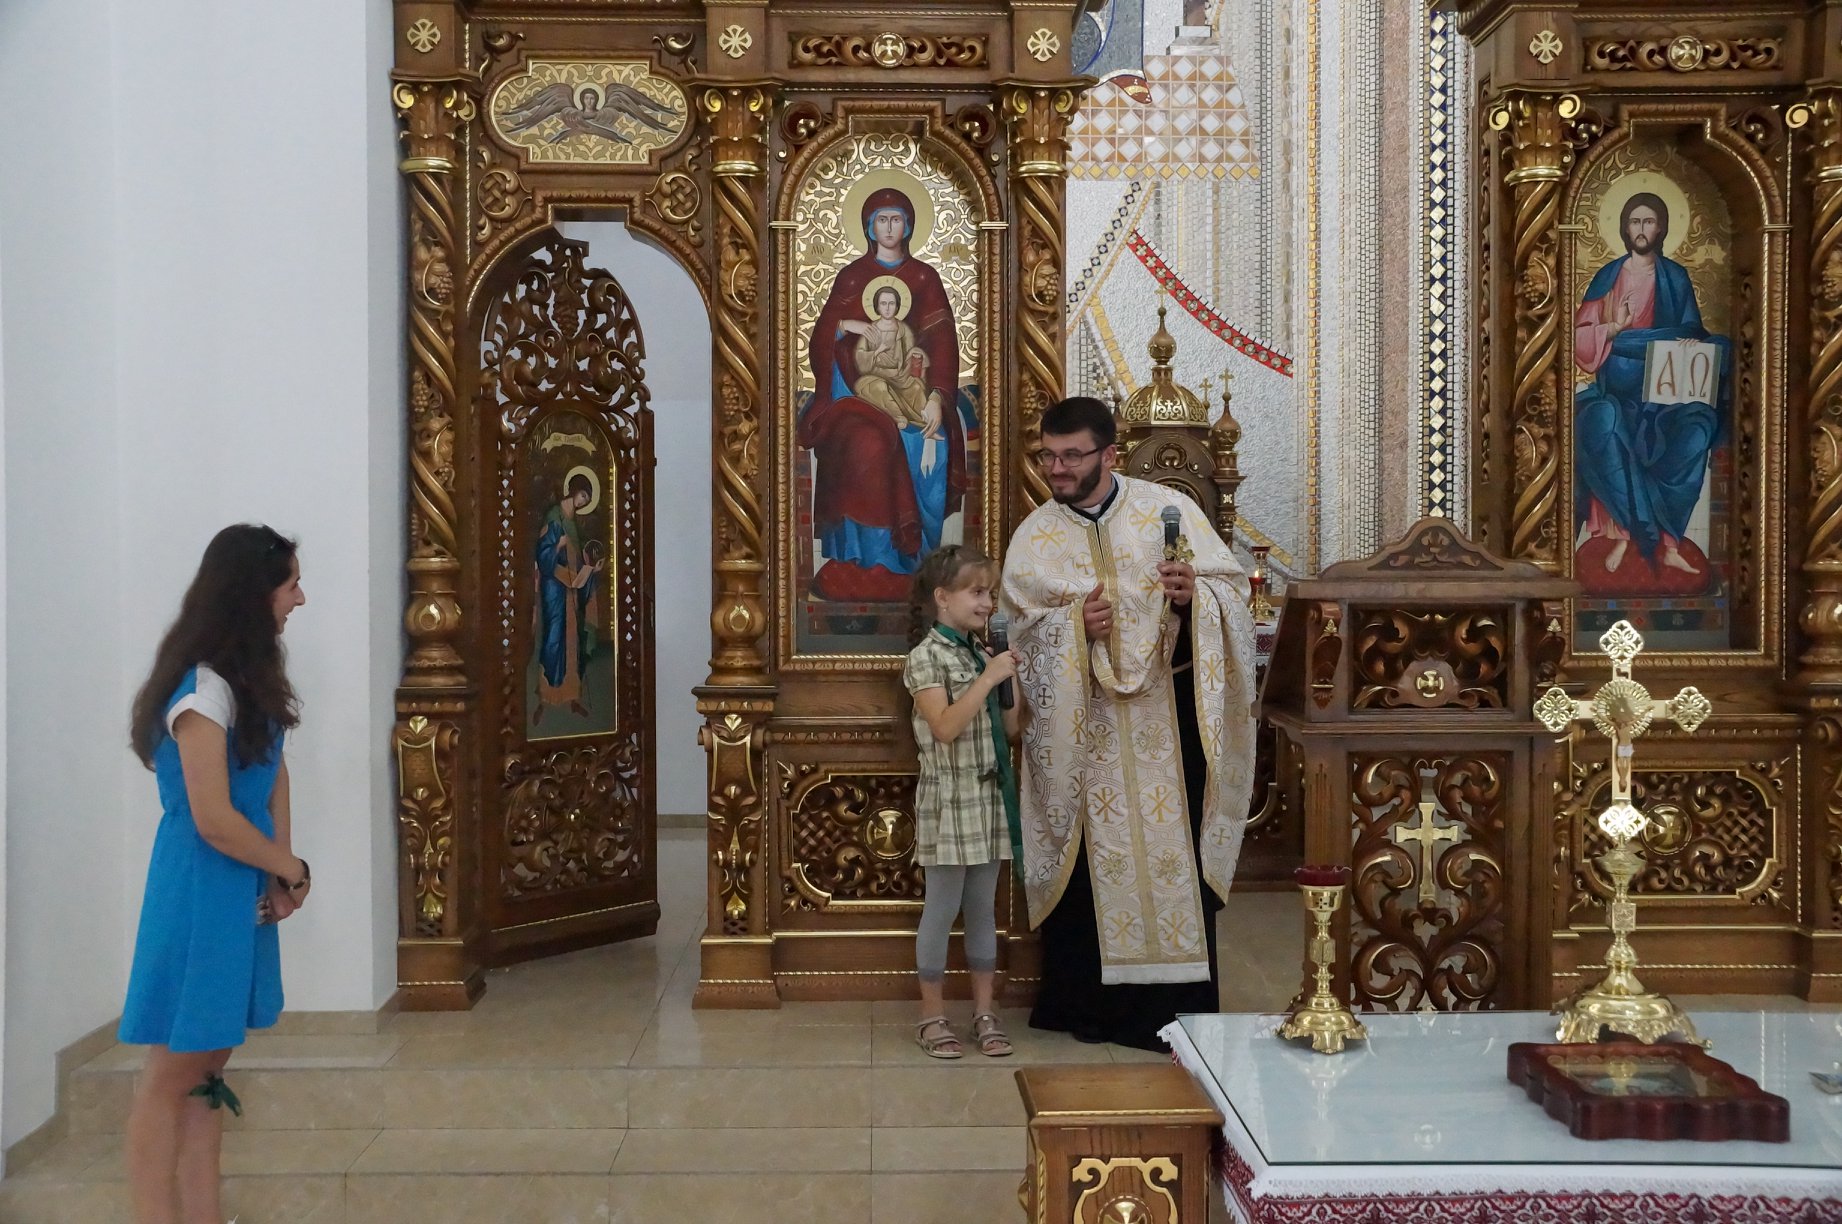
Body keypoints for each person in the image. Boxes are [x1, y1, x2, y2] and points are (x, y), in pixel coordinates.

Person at [1002, 397, 1256, 1050]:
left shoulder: (1169, 511)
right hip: (1082, 728)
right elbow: (1018, 635)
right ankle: (1091, 1010)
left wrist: (1195, 597)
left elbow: (1233, 592)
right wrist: (1070, 628)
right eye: (1049, 456)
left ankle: (1172, 1009)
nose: (1057, 469)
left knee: (1173, 859)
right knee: (1092, 866)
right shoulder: (1034, 536)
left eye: (1071, 456)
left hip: (1166, 720)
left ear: (1109, 454)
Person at [120, 523, 311, 1224]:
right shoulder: (201, 691)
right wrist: (290, 866)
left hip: (240, 881)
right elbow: (213, 818)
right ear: (252, 594)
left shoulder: (242, 683)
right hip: (202, 888)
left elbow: (271, 770)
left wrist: (281, 869)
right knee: (172, 1074)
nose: (300, 599)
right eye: (290, 585)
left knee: (207, 1066)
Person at [800, 187, 968, 602]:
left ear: (908, 225)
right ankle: (865, 560)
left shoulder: (925, 278)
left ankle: (914, 561)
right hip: (853, 399)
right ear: (868, 226)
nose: (889, 227)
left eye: (896, 219)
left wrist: (938, 396)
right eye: (881, 219)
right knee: (866, 444)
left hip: (913, 392)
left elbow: (943, 342)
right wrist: (846, 326)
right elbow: (822, 339)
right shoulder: (852, 277)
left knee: (930, 443)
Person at [902, 544, 1021, 1059]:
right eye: (977, 592)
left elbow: (1010, 730)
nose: (988, 603)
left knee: (981, 909)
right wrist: (988, 678)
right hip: (950, 801)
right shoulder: (925, 657)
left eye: (991, 593)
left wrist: (1008, 680)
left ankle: (984, 1011)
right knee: (942, 907)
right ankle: (931, 1015)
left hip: (988, 798)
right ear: (942, 597)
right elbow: (946, 727)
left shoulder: (979, 653)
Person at [1574, 191, 1730, 578]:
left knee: (1697, 429)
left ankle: (1670, 541)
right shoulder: (1608, 277)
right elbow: (1578, 339)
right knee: (1605, 425)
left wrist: (1690, 340)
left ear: (1661, 228)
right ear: (1624, 228)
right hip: (1618, 390)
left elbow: (1691, 328)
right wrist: (1615, 328)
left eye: (1648, 221)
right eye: (1635, 222)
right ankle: (1626, 534)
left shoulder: (1674, 276)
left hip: (1667, 391)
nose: (1641, 229)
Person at [534, 472, 605, 724]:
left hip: (571, 587)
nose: (583, 501)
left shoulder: (572, 522)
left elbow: (577, 560)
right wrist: (557, 545)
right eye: (583, 495)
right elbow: (543, 556)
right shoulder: (555, 517)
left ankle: (572, 697)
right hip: (554, 586)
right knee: (554, 636)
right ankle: (546, 697)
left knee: (573, 639)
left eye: (587, 499)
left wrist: (591, 570)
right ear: (574, 489)